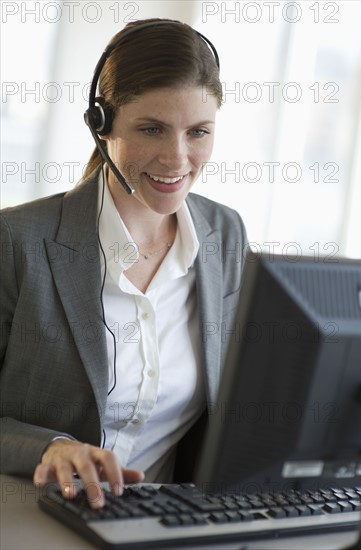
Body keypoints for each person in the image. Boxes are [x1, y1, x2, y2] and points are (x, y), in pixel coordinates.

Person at [0, 18, 246, 508]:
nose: (177, 158)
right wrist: (50, 447)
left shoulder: (224, 234)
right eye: (152, 129)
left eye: (197, 132)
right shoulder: (17, 241)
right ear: (102, 126)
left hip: (168, 522)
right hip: (32, 512)